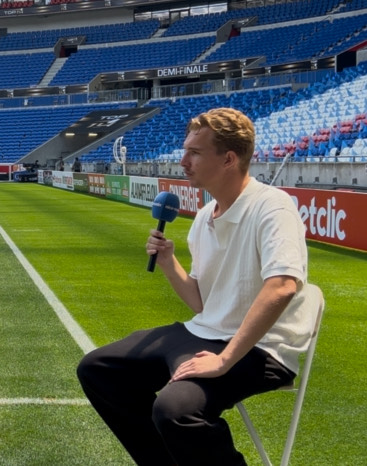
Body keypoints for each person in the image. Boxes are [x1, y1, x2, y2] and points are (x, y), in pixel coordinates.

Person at [76, 108, 317, 465]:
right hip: (206, 331)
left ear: (229, 159)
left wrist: (224, 359)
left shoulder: (272, 207)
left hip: (263, 349)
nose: (183, 161)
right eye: (185, 150)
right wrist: (169, 262)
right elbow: (204, 303)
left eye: (195, 152)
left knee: (175, 409)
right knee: (98, 370)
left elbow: (282, 287)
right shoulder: (205, 216)